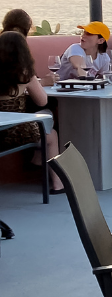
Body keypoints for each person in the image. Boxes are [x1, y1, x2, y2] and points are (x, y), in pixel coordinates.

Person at [0, 31, 63, 193]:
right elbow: (42, 101)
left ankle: (38, 157)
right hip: (15, 132)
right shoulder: (25, 74)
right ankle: (57, 184)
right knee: (51, 134)